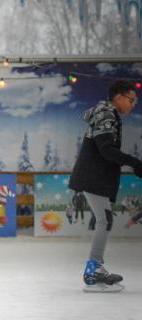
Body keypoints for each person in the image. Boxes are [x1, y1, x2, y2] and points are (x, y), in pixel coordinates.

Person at [69, 80, 141, 292]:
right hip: (92, 177)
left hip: (94, 176)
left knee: (104, 219)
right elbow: (106, 149)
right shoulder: (106, 114)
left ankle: (95, 267)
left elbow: (105, 149)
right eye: (131, 100)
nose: (132, 104)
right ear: (118, 97)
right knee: (105, 220)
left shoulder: (107, 114)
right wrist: (135, 163)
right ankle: (93, 270)